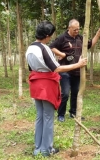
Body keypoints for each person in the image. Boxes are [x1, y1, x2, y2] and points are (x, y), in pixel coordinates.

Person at [25, 21, 87, 157]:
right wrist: (78, 64)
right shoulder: (44, 48)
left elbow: (34, 67)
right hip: (46, 85)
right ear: (47, 35)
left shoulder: (30, 48)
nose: (51, 38)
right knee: (48, 117)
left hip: (35, 84)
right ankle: (47, 149)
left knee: (40, 116)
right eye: (51, 35)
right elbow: (57, 68)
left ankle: (38, 148)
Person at [49, 19, 100, 122]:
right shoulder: (62, 37)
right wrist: (61, 54)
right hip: (65, 70)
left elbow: (90, 44)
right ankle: (61, 114)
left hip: (77, 71)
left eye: (78, 29)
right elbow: (51, 47)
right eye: (74, 29)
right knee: (65, 93)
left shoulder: (80, 38)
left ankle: (73, 113)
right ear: (69, 28)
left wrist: (98, 34)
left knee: (75, 92)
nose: (77, 31)